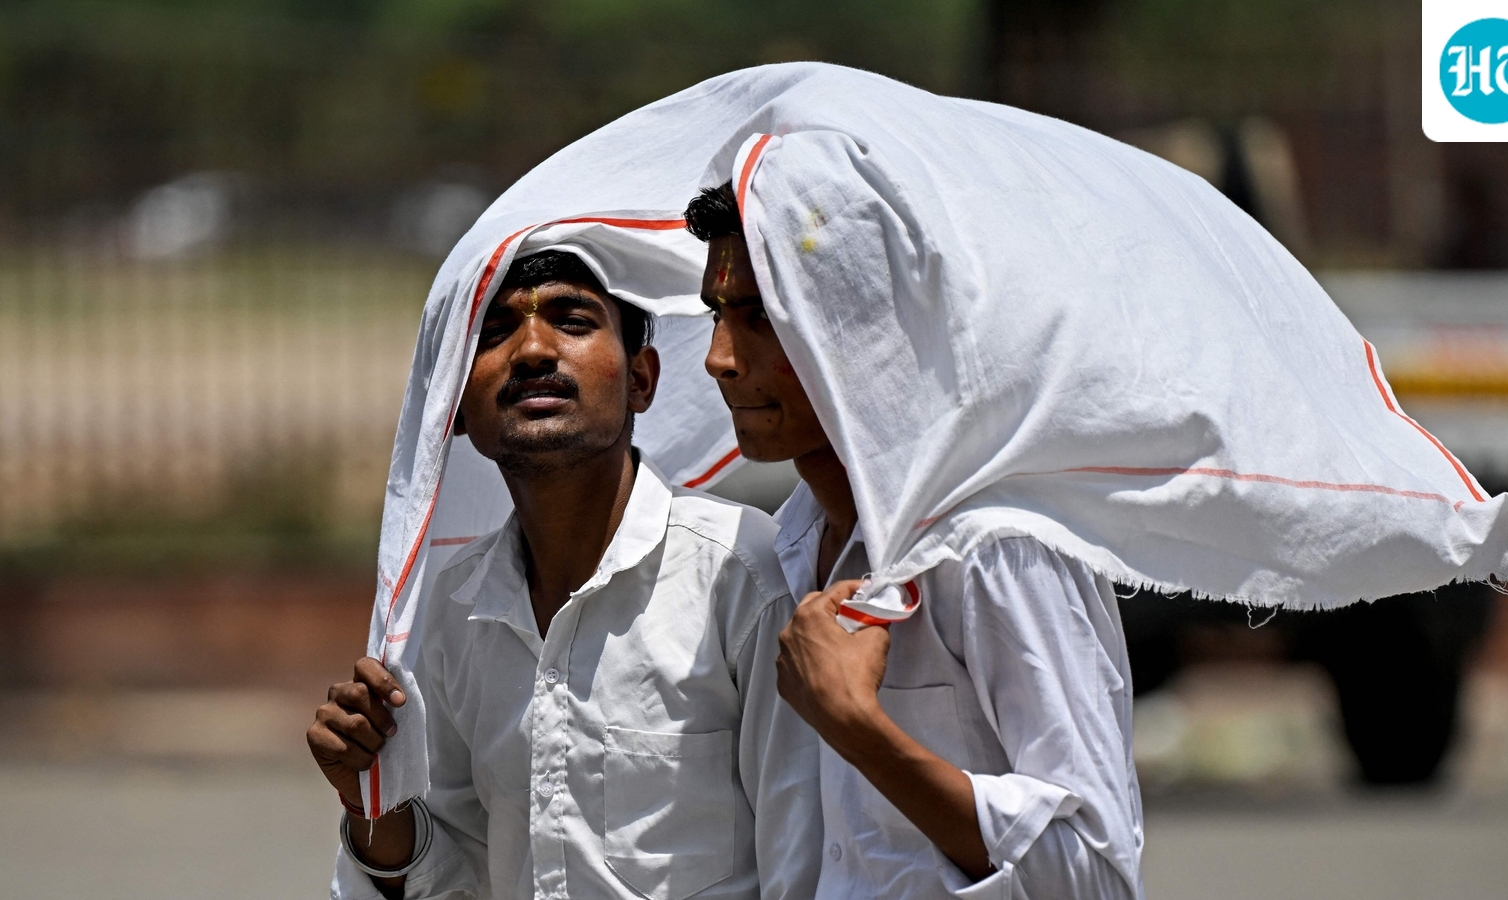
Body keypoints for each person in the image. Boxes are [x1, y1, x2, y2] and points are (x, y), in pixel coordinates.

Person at [306, 250, 822, 900]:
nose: (531, 351)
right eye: (494, 334)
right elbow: (463, 875)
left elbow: (806, 862)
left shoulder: (743, 573)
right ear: (455, 407)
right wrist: (375, 809)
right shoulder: (458, 605)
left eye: (572, 320)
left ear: (641, 379)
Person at [685, 184, 1145, 900]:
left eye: (761, 319)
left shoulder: (994, 548)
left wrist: (858, 726)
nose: (719, 358)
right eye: (717, 315)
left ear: (871, 331)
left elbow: (1092, 876)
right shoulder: (783, 550)